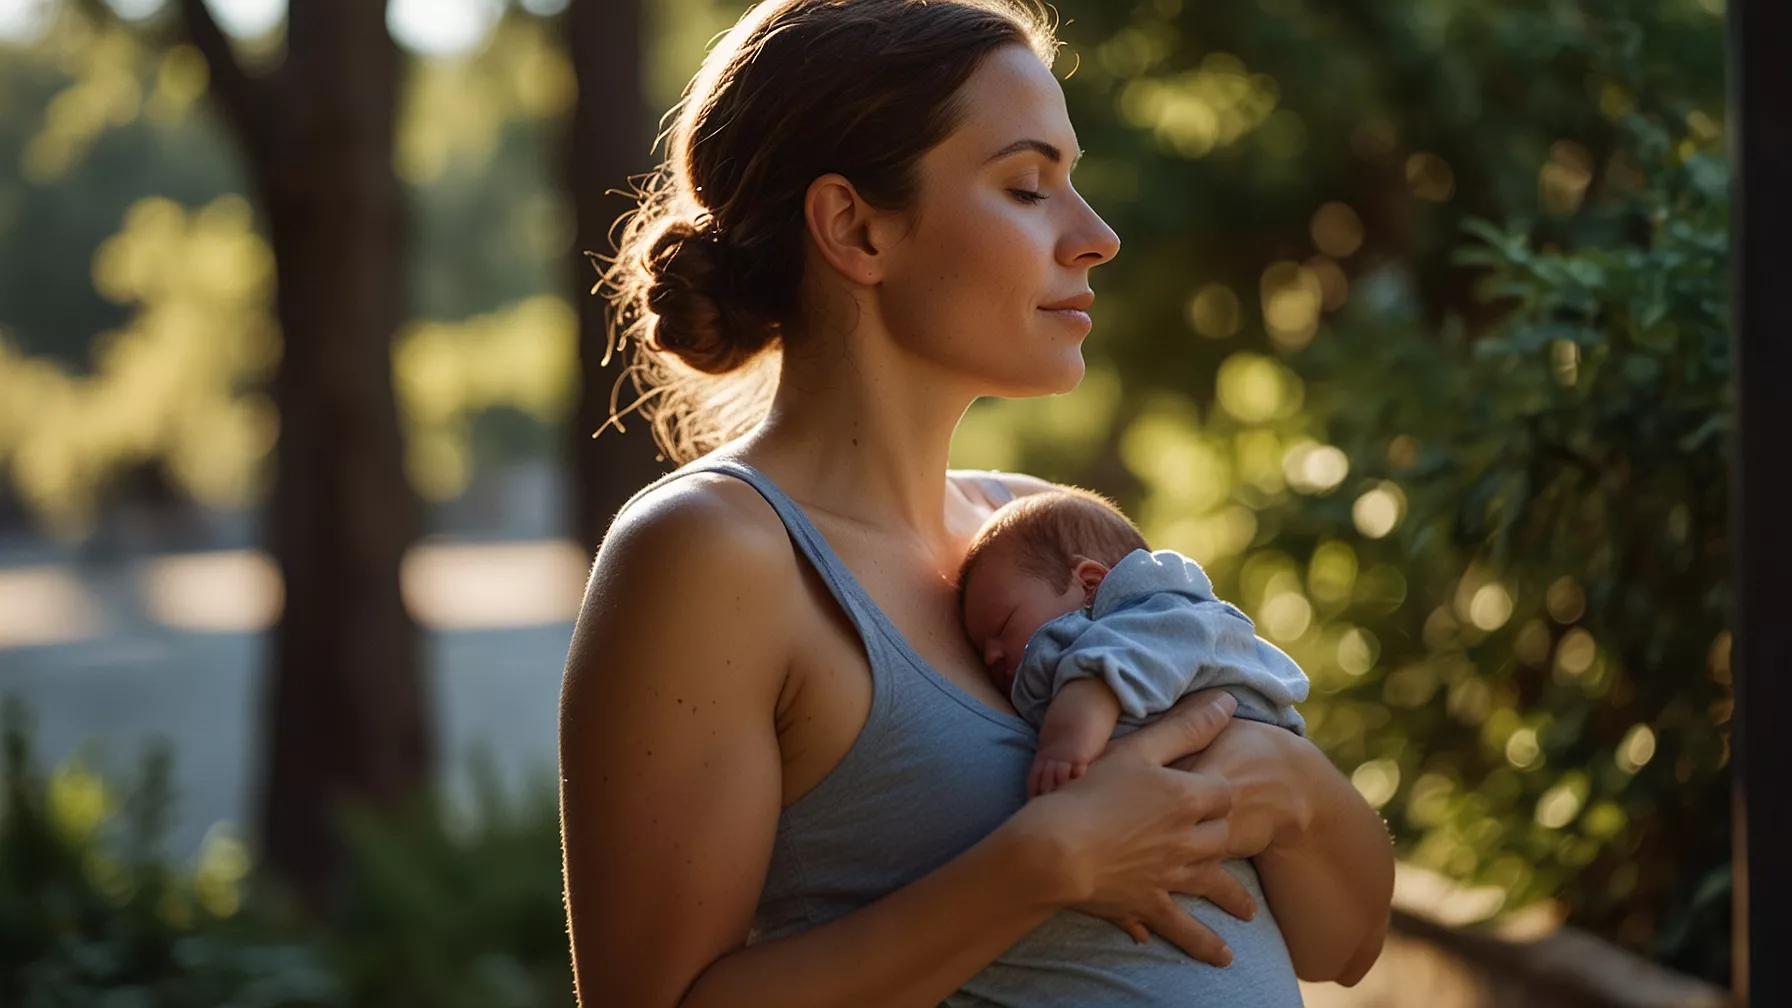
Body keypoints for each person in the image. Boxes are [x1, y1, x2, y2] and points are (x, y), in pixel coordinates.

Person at [558, 1, 1395, 1006]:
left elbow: (1346, 943)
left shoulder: (1042, 530)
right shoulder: (714, 552)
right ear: (856, 228)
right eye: (1028, 187)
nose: (1097, 237)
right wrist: (1043, 865)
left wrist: (1284, 782)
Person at [956, 487, 1309, 799]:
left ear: (1090, 585)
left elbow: (1104, 672)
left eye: (1004, 624)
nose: (990, 656)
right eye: (980, 647)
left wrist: (1061, 749)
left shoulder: (1146, 621)